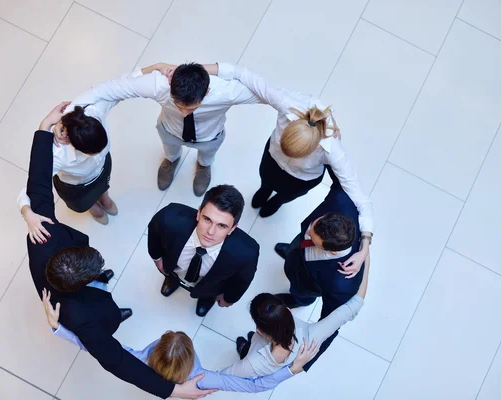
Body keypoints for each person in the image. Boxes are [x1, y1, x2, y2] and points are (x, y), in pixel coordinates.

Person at [25, 104, 214, 399]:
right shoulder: (83, 320)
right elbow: (118, 362)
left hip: (80, 290)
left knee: (109, 306)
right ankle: (115, 314)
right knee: (109, 316)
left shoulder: (42, 236)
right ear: (82, 281)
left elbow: (37, 183)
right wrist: (173, 392)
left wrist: (42, 128)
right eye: (96, 269)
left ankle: (112, 304)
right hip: (95, 315)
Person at [215, 62, 373, 271]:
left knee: (285, 196)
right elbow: (243, 74)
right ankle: (264, 190)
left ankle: (277, 202)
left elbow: (361, 199)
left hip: (300, 179)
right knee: (265, 180)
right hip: (271, 160)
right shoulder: (287, 103)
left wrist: (364, 247)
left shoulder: (332, 149)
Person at [41, 289, 320, 393]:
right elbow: (254, 387)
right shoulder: (203, 378)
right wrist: (291, 369)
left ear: (157, 346)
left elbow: (93, 344)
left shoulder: (136, 360)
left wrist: (59, 328)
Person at [58, 62, 262, 196]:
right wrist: (67, 116)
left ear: (206, 91)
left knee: (208, 154)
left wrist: (224, 69)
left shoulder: (227, 92)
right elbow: (109, 89)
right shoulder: (158, 85)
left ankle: (203, 166)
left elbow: (266, 93)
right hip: (170, 131)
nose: (184, 113)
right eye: (178, 105)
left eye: (190, 108)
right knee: (170, 149)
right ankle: (171, 161)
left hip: (209, 136)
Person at [263, 166, 370, 370]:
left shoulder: (343, 284)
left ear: (330, 251)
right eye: (314, 225)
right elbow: (341, 170)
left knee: (301, 293)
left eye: (313, 236)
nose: (309, 230)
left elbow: (330, 324)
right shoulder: (343, 200)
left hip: (308, 282)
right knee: (297, 246)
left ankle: (298, 299)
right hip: (300, 252)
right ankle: (293, 252)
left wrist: (302, 365)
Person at [222, 255, 368, 376]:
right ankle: (247, 347)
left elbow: (221, 378)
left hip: (256, 355)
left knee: (249, 350)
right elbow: (355, 303)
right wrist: (365, 254)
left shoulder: (252, 363)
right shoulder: (312, 337)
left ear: (259, 330)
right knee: (251, 345)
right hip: (275, 356)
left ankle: (245, 349)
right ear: (288, 310)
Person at [148, 185, 259, 317]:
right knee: (172, 273)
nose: (210, 232)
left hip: (211, 287)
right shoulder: (169, 217)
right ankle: (172, 280)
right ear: (199, 213)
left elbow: (242, 281)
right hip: (174, 268)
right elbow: (154, 231)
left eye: (222, 226)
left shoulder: (246, 253)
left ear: (232, 229)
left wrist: (229, 298)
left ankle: (205, 299)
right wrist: (157, 258)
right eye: (207, 219)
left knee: (208, 292)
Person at [17, 97, 122, 234]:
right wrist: (27, 212)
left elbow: (118, 89)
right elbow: (32, 188)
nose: (99, 153)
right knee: (86, 202)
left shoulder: (94, 112)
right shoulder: (57, 154)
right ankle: (93, 207)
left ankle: (105, 198)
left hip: (101, 170)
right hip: (77, 188)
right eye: (93, 152)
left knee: (104, 185)